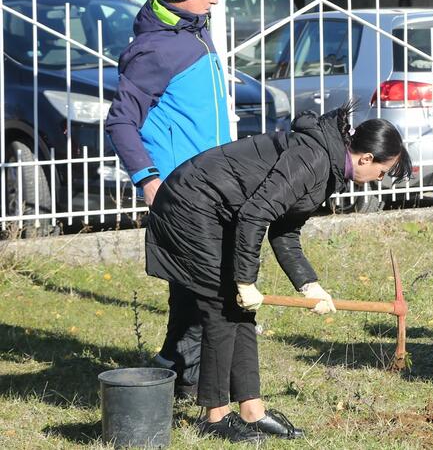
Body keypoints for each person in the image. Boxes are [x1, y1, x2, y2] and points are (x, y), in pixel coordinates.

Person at [145, 107, 411, 442]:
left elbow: (283, 231)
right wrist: (244, 280)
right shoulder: (313, 158)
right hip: (191, 205)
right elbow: (257, 214)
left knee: (240, 308)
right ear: (366, 158)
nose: (379, 179)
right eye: (382, 171)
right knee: (221, 306)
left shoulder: (327, 167)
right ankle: (214, 416)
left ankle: (252, 410)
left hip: (217, 209)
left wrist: (309, 284)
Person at [106, 0, 229, 399]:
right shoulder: (156, 49)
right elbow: (121, 121)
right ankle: (193, 383)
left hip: (214, 183)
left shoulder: (194, 31)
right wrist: (148, 180)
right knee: (207, 289)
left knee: (191, 291)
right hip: (182, 189)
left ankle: (173, 371)